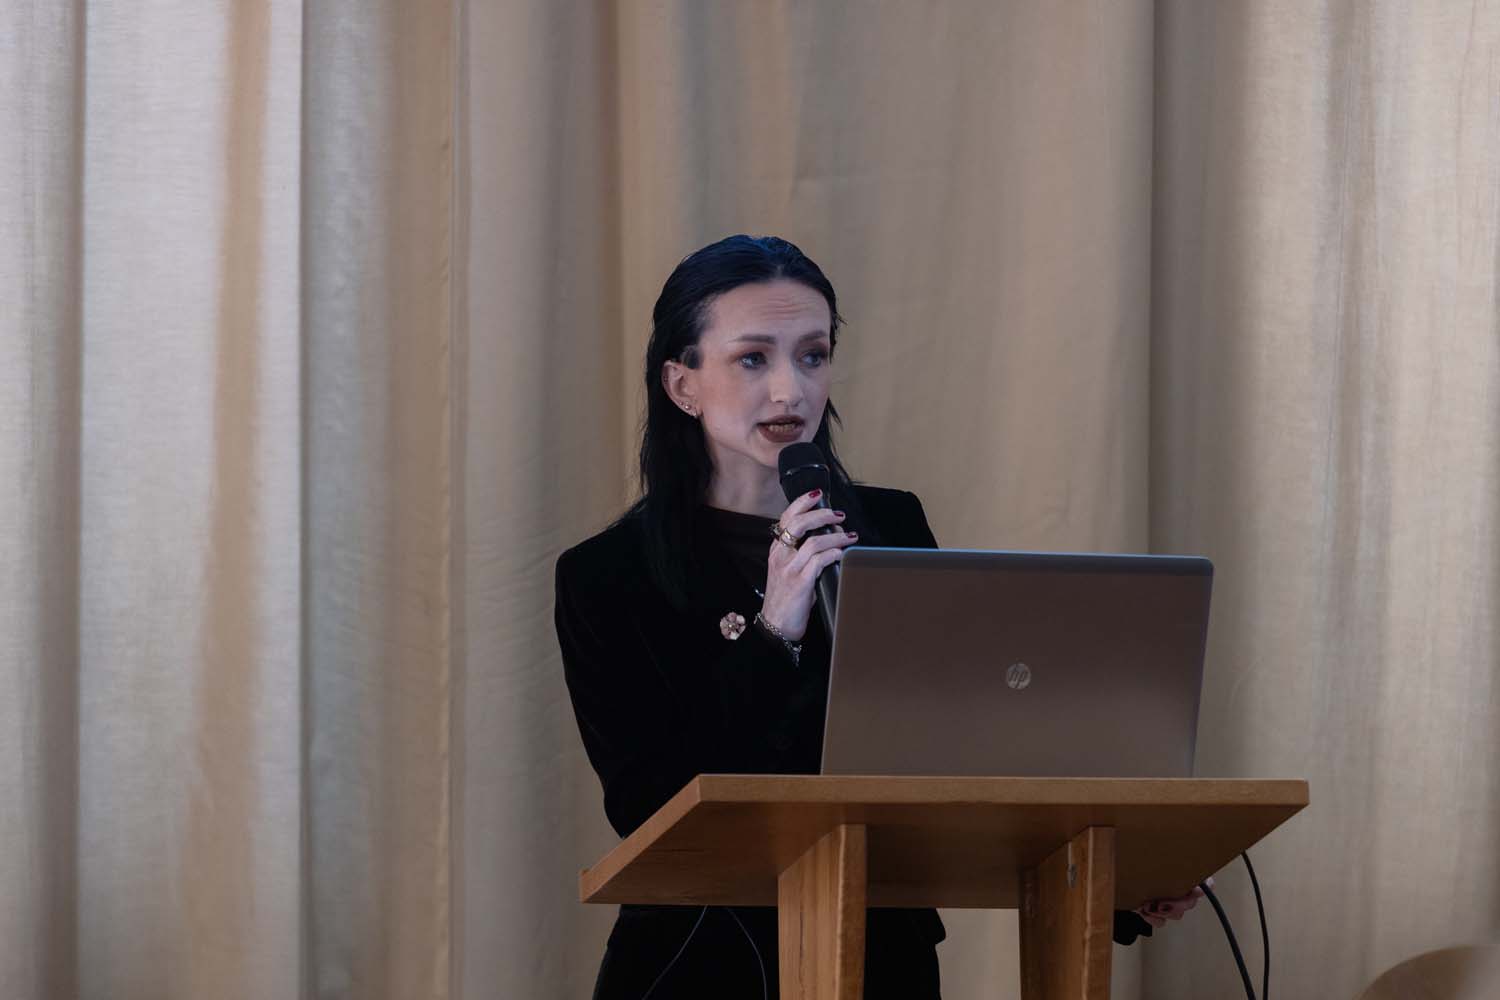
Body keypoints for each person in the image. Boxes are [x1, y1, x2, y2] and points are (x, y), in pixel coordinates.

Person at [555, 235, 1199, 1000]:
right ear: (681, 382)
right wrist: (774, 633)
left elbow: (965, 747)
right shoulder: (607, 576)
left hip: (879, 957)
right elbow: (648, 807)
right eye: (753, 358)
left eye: (813, 355)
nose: (791, 389)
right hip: (699, 964)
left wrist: (1117, 877)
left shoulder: (890, 528)